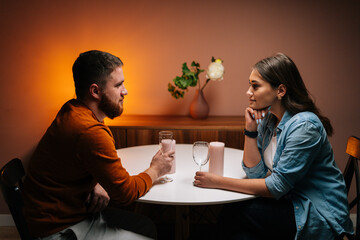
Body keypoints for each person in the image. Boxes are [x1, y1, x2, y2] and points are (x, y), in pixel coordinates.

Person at [194, 53, 354, 239]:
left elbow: (277, 187)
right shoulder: (270, 120)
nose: (248, 92)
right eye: (249, 85)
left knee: (235, 210)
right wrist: (250, 130)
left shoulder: (304, 126)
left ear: (281, 91)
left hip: (314, 212)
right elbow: (256, 173)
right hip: (289, 201)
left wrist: (217, 182)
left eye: (255, 86)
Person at [22, 50, 174, 239]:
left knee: (147, 225)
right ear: (95, 91)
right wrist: (156, 169)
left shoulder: (73, 109)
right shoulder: (90, 130)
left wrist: (99, 181)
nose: (125, 91)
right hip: (59, 229)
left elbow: (78, 162)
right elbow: (126, 193)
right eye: (118, 85)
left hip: (61, 213)